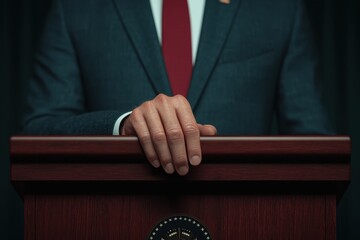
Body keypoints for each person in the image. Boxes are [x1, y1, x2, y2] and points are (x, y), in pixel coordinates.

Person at [22, 0, 332, 176]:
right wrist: (121, 125)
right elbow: (39, 135)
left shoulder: (279, 9)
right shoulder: (77, 9)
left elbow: (318, 151)